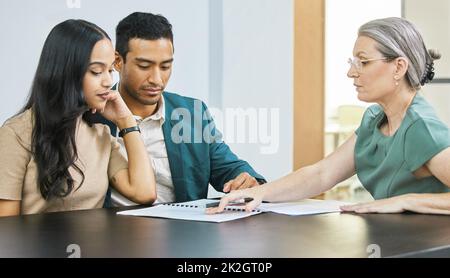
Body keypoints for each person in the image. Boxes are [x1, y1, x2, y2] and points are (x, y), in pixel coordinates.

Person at [208, 17, 450, 215]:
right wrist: (261, 192)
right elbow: (322, 173)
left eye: (363, 62)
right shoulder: (375, 119)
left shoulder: (420, 127)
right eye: (352, 62)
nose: (351, 72)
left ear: (398, 67)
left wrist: (407, 201)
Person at [93, 12, 265, 206]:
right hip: (114, 232)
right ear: (117, 61)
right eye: (144, 66)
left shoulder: (192, 113)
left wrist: (250, 181)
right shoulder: (91, 115)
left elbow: (228, 167)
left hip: (182, 232)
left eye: (165, 66)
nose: (156, 79)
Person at [0, 19, 157, 217]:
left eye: (110, 71)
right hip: (38, 248)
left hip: (94, 247)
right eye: (96, 71)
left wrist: (127, 121)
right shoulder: (16, 134)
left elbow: (144, 192)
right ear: (66, 73)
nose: (108, 81)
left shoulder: (101, 135)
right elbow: (6, 229)